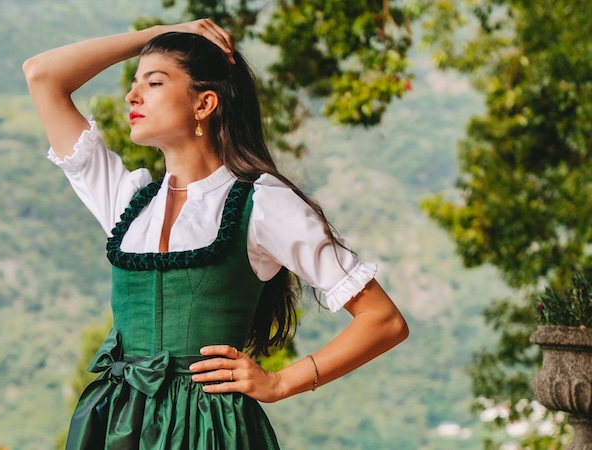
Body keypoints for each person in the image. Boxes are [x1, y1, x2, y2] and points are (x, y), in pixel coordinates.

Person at [23, 19, 409, 449]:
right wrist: (163, 33)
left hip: (212, 431)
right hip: (116, 424)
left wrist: (281, 383)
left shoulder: (262, 203)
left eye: (153, 83)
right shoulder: (126, 200)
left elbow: (383, 320)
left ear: (204, 103)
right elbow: (43, 75)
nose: (132, 96)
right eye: (134, 83)